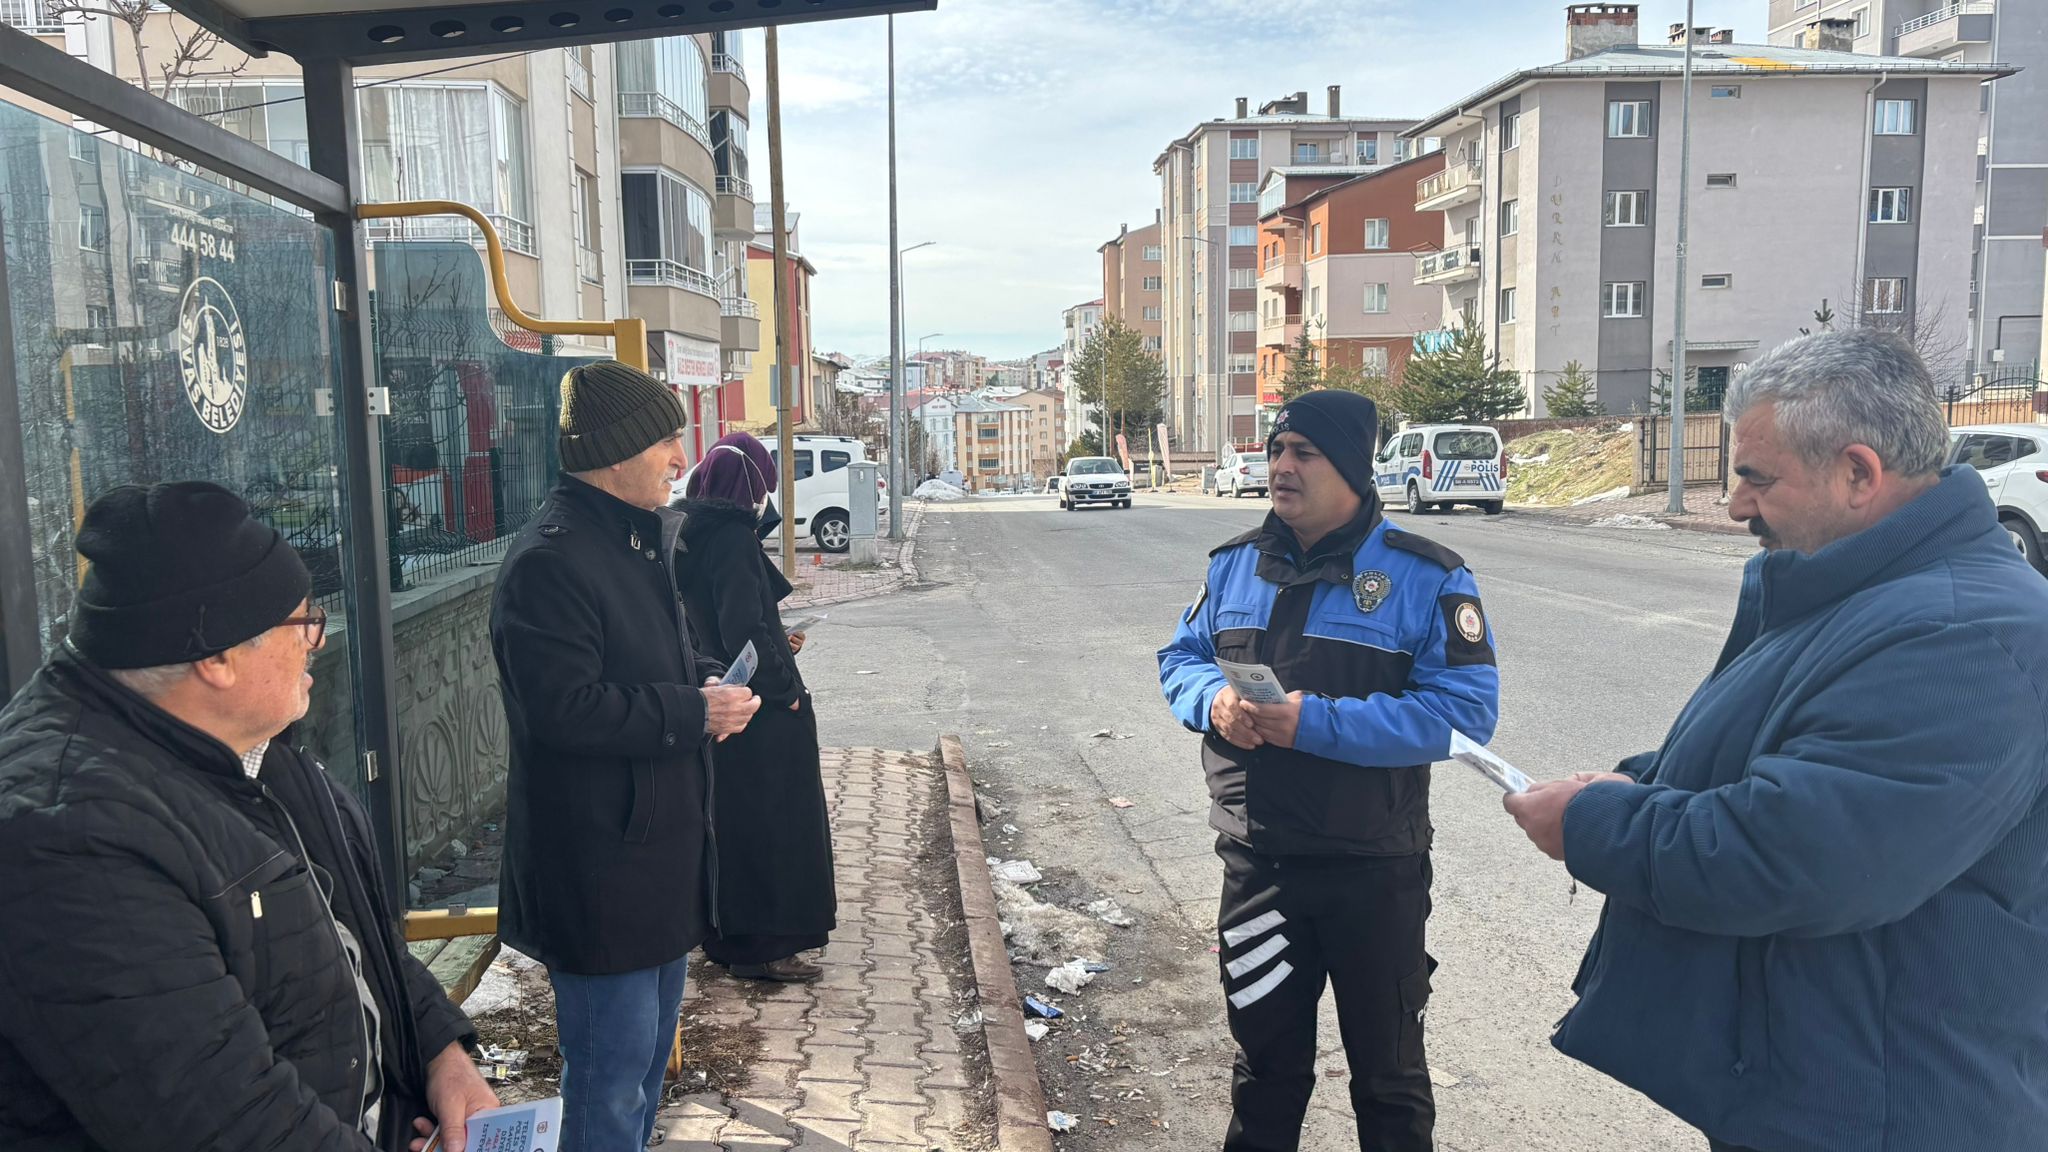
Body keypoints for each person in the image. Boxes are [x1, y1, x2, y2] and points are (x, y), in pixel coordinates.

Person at [1504, 330, 2048, 1152]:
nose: (1734, 505)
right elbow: (1783, 760)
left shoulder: (1964, 631)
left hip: (1889, 1110)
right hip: (1819, 1080)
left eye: (1756, 477)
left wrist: (1596, 825)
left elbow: (1802, 856)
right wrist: (1632, 785)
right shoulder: (1861, 593)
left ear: (1859, 474)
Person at [0, 481, 497, 1151]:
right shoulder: (69, 838)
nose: (316, 641)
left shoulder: (247, 741)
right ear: (216, 657)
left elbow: (354, 940)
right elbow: (228, 1123)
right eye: (302, 623)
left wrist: (444, 1054)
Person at [1158, 390, 1501, 1152]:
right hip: (1259, 865)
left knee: (1389, 1080)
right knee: (1265, 1072)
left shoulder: (1425, 576)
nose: (1281, 466)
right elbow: (1178, 658)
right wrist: (1211, 700)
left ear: (1350, 466)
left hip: (1373, 872)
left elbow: (1465, 715)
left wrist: (1316, 724)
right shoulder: (1236, 565)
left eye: (1303, 453)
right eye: (1278, 449)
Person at [491, 361, 761, 1152]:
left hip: (655, 863)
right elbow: (563, 710)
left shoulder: (637, 543)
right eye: (668, 441)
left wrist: (707, 684)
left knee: (642, 1072)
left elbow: (652, 664)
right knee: (608, 1088)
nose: (682, 459)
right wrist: (691, 711)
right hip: (599, 873)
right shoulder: (551, 561)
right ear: (616, 452)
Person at [672, 432, 836, 982]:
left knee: (734, 824)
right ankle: (764, 946)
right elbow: (744, 623)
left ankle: (732, 937)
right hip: (760, 708)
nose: (767, 500)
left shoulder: (691, 536)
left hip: (722, 695)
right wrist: (786, 691)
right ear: (749, 488)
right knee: (774, 823)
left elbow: (718, 623)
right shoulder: (734, 541)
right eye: (763, 487)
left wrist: (776, 639)